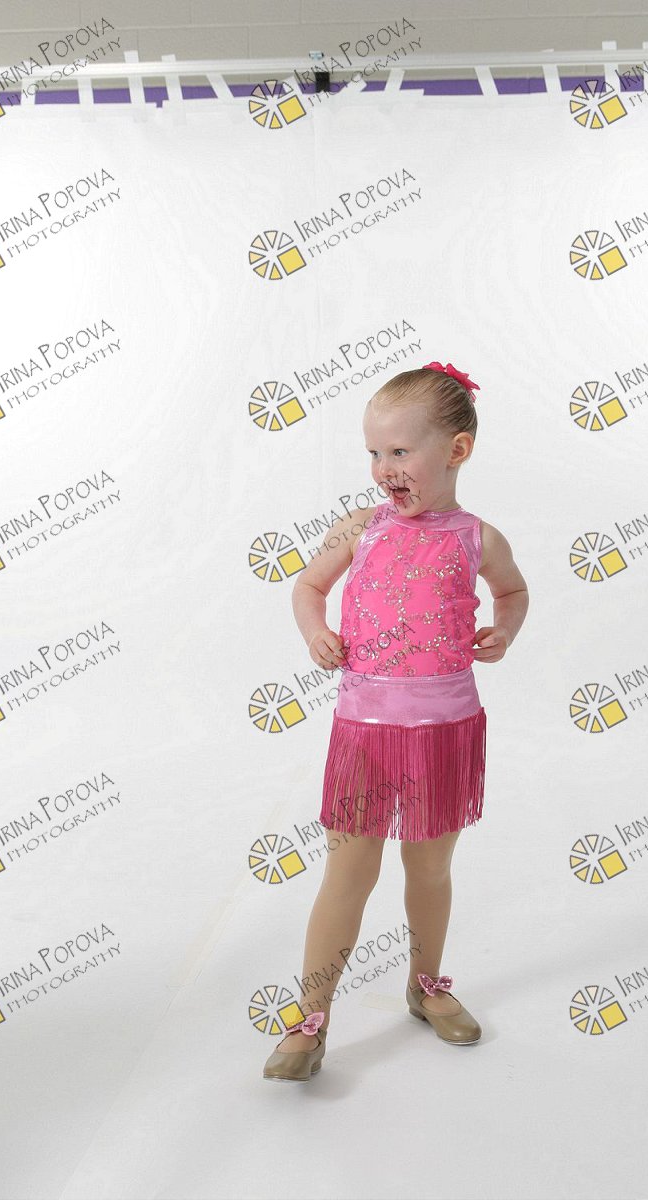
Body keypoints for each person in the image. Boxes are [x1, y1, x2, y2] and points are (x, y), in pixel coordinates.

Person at [263, 361, 529, 1082]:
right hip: (366, 731)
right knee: (348, 872)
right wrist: (315, 632)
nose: (384, 468)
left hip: (445, 729)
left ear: (457, 450)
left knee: (430, 866)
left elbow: (512, 591)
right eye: (374, 453)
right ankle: (311, 1015)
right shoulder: (361, 527)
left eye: (400, 451)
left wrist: (504, 631)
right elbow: (308, 585)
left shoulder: (478, 538)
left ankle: (426, 984)